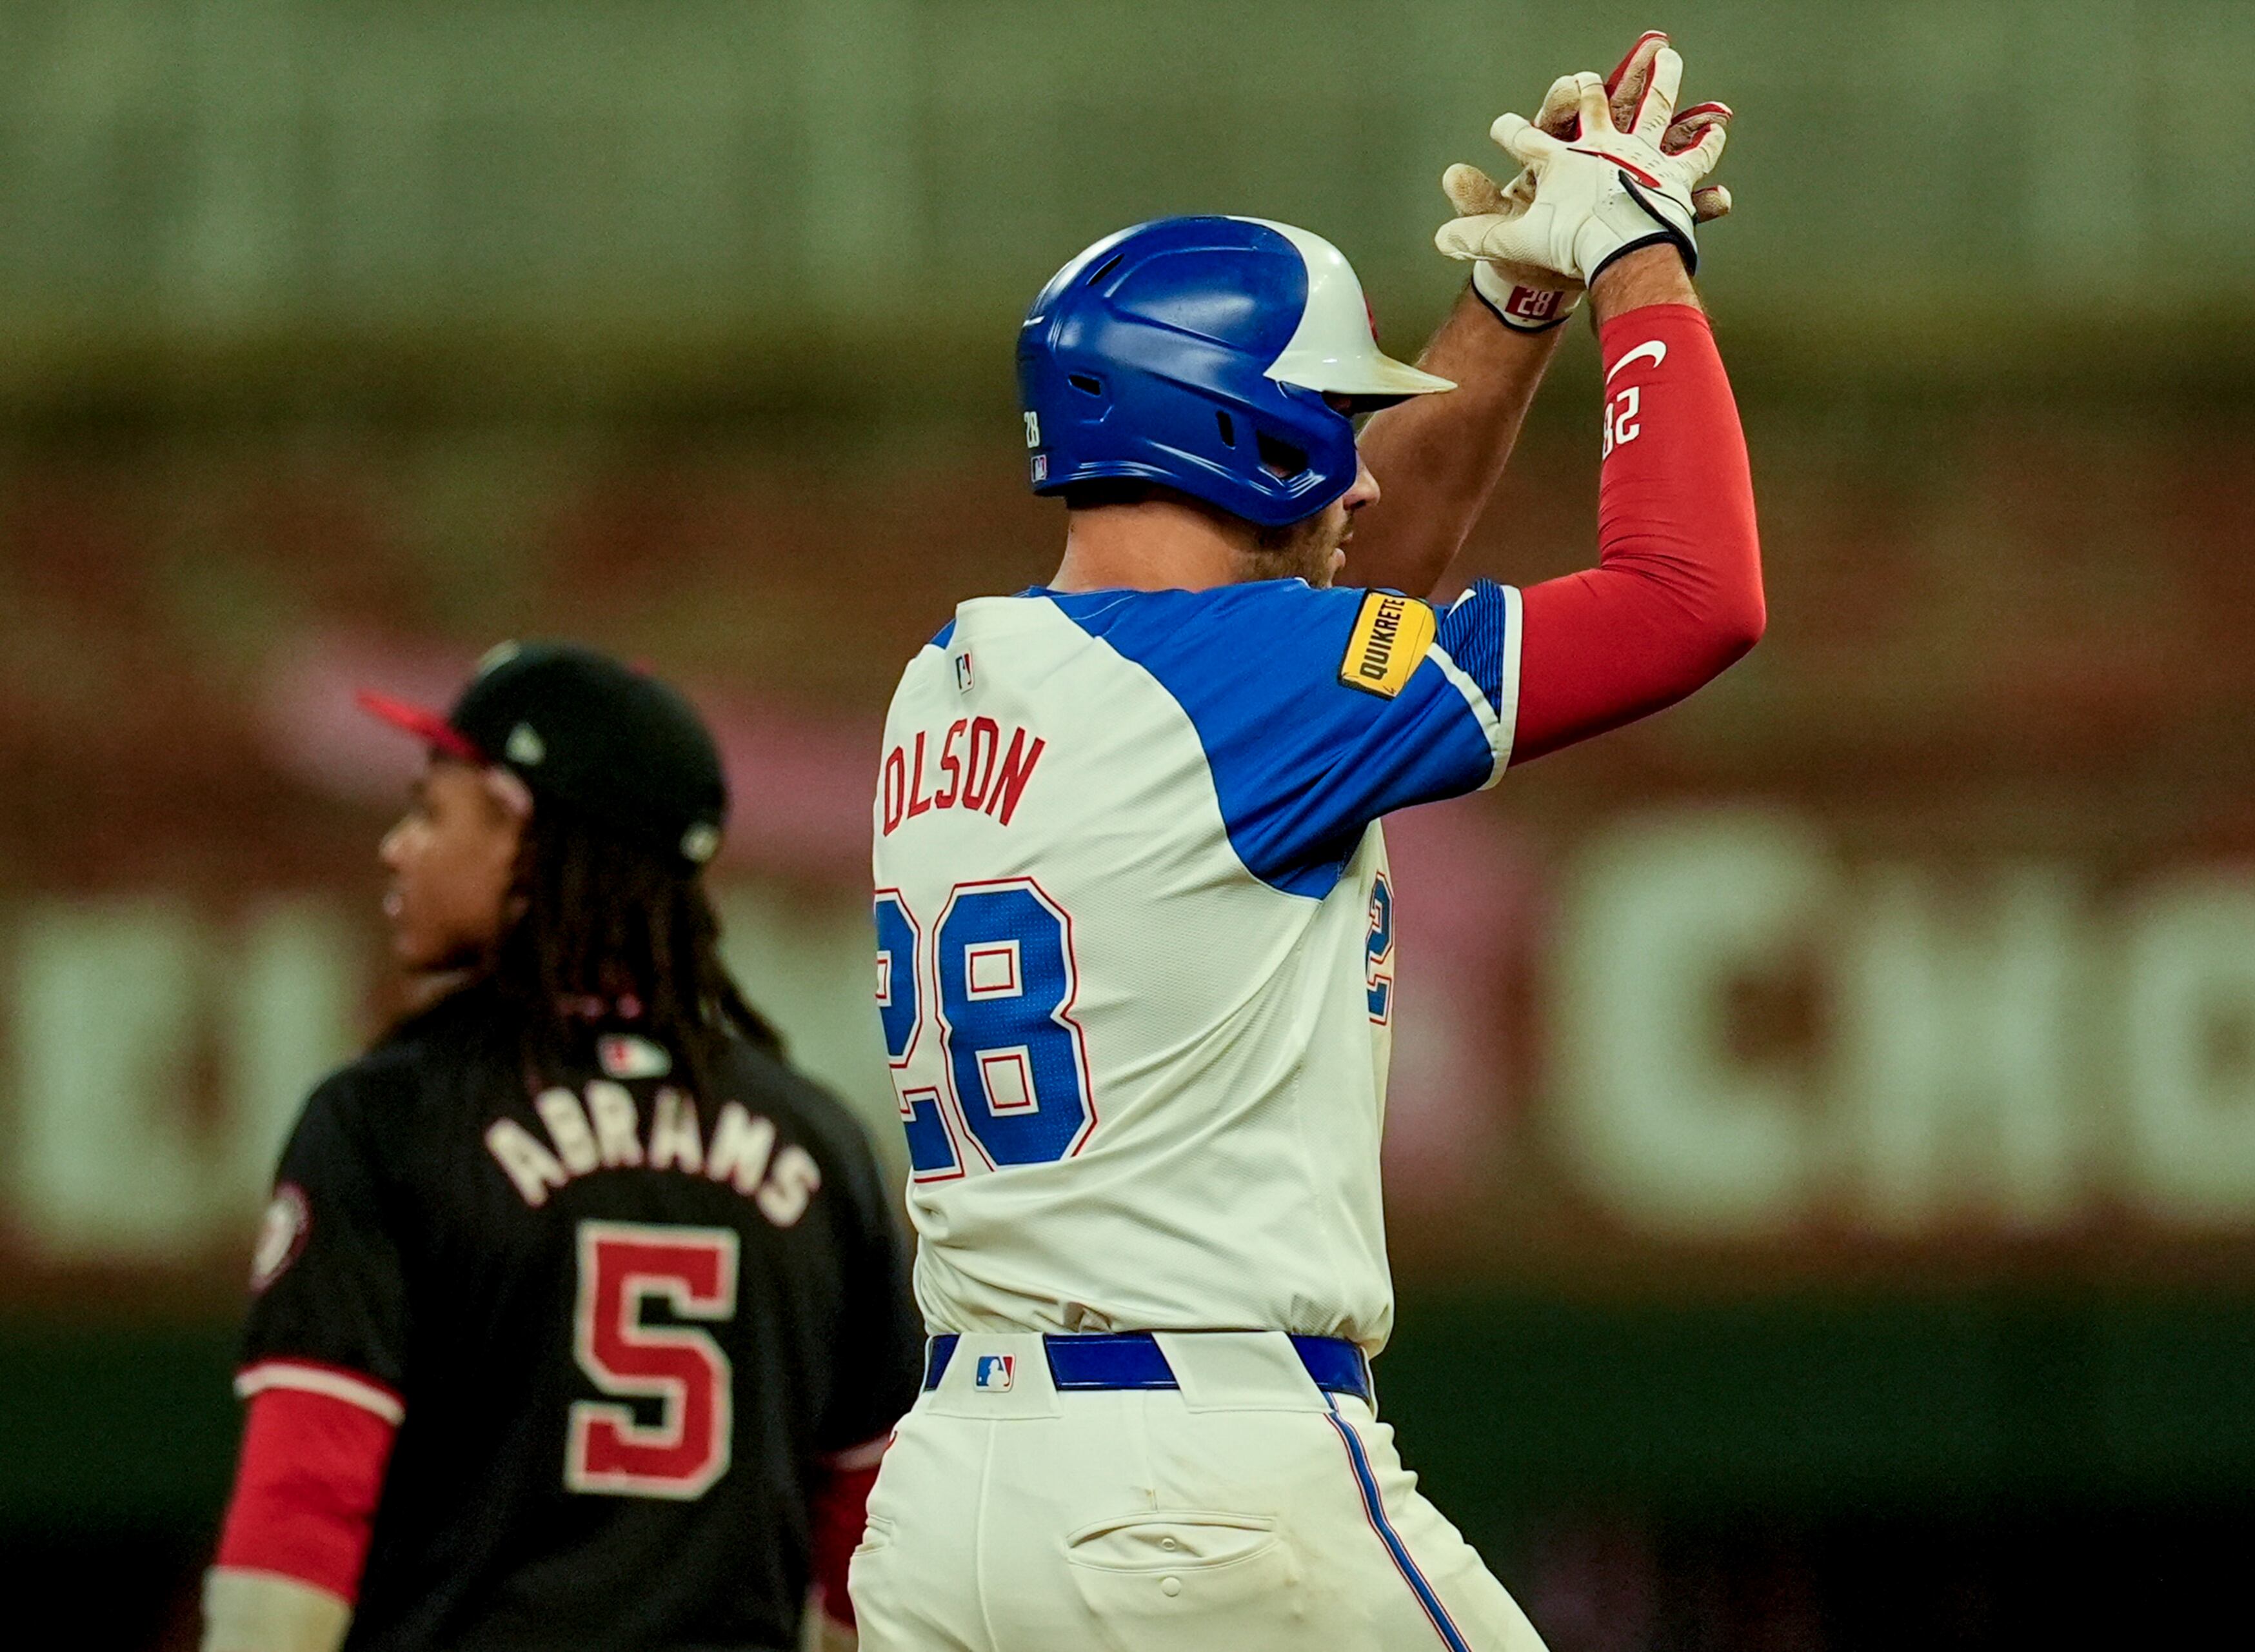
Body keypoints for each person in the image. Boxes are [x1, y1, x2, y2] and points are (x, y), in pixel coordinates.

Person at [855, 30, 1758, 1652]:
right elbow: (1695, 603)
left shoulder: (959, 669)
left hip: (955, 1498)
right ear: (1241, 434)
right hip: (1200, 1474)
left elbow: (1357, 586)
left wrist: (1516, 306)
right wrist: (1637, 260)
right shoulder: (1248, 688)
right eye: (1327, 418)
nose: (1354, 463)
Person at [201, 642, 920, 1652]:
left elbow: (304, 1501)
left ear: (523, 835)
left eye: (430, 810)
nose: (395, 848)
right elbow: (874, 1535)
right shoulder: (822, 1141)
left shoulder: (389, 1117)